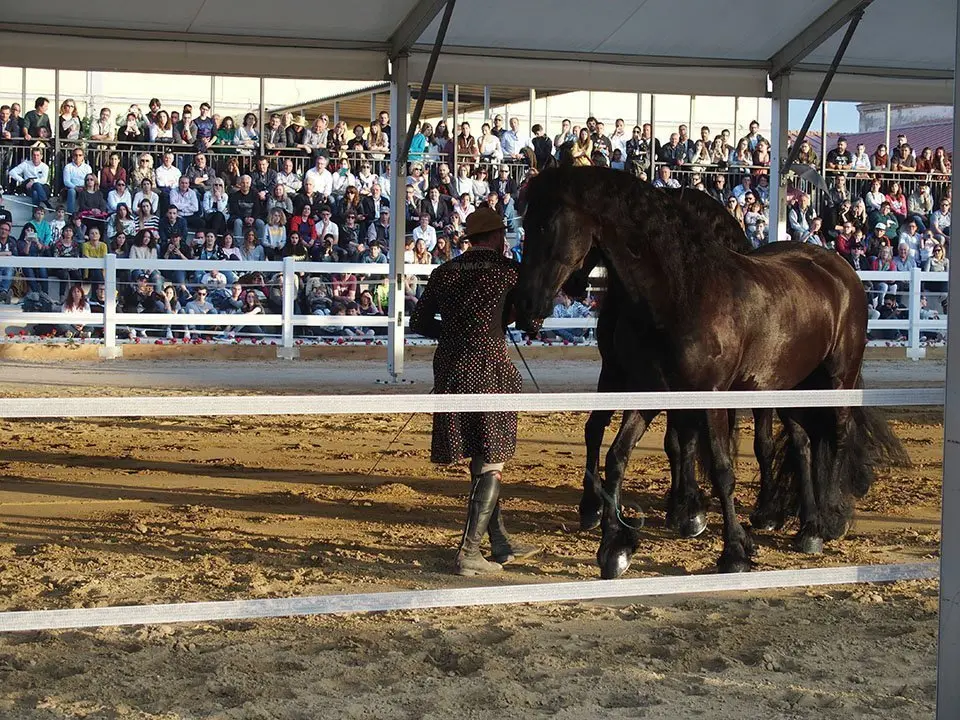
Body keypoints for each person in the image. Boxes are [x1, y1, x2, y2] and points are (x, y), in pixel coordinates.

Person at [409, 206, 541, 576]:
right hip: (488, 366)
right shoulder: (508, 272)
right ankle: (469, 553)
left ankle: (498, 542)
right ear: (497, 237)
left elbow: (419, 321)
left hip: (450, 365)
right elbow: (531, 321)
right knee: (492, 455)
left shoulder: (445, 271)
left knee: (481, 453)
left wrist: (455, 335)